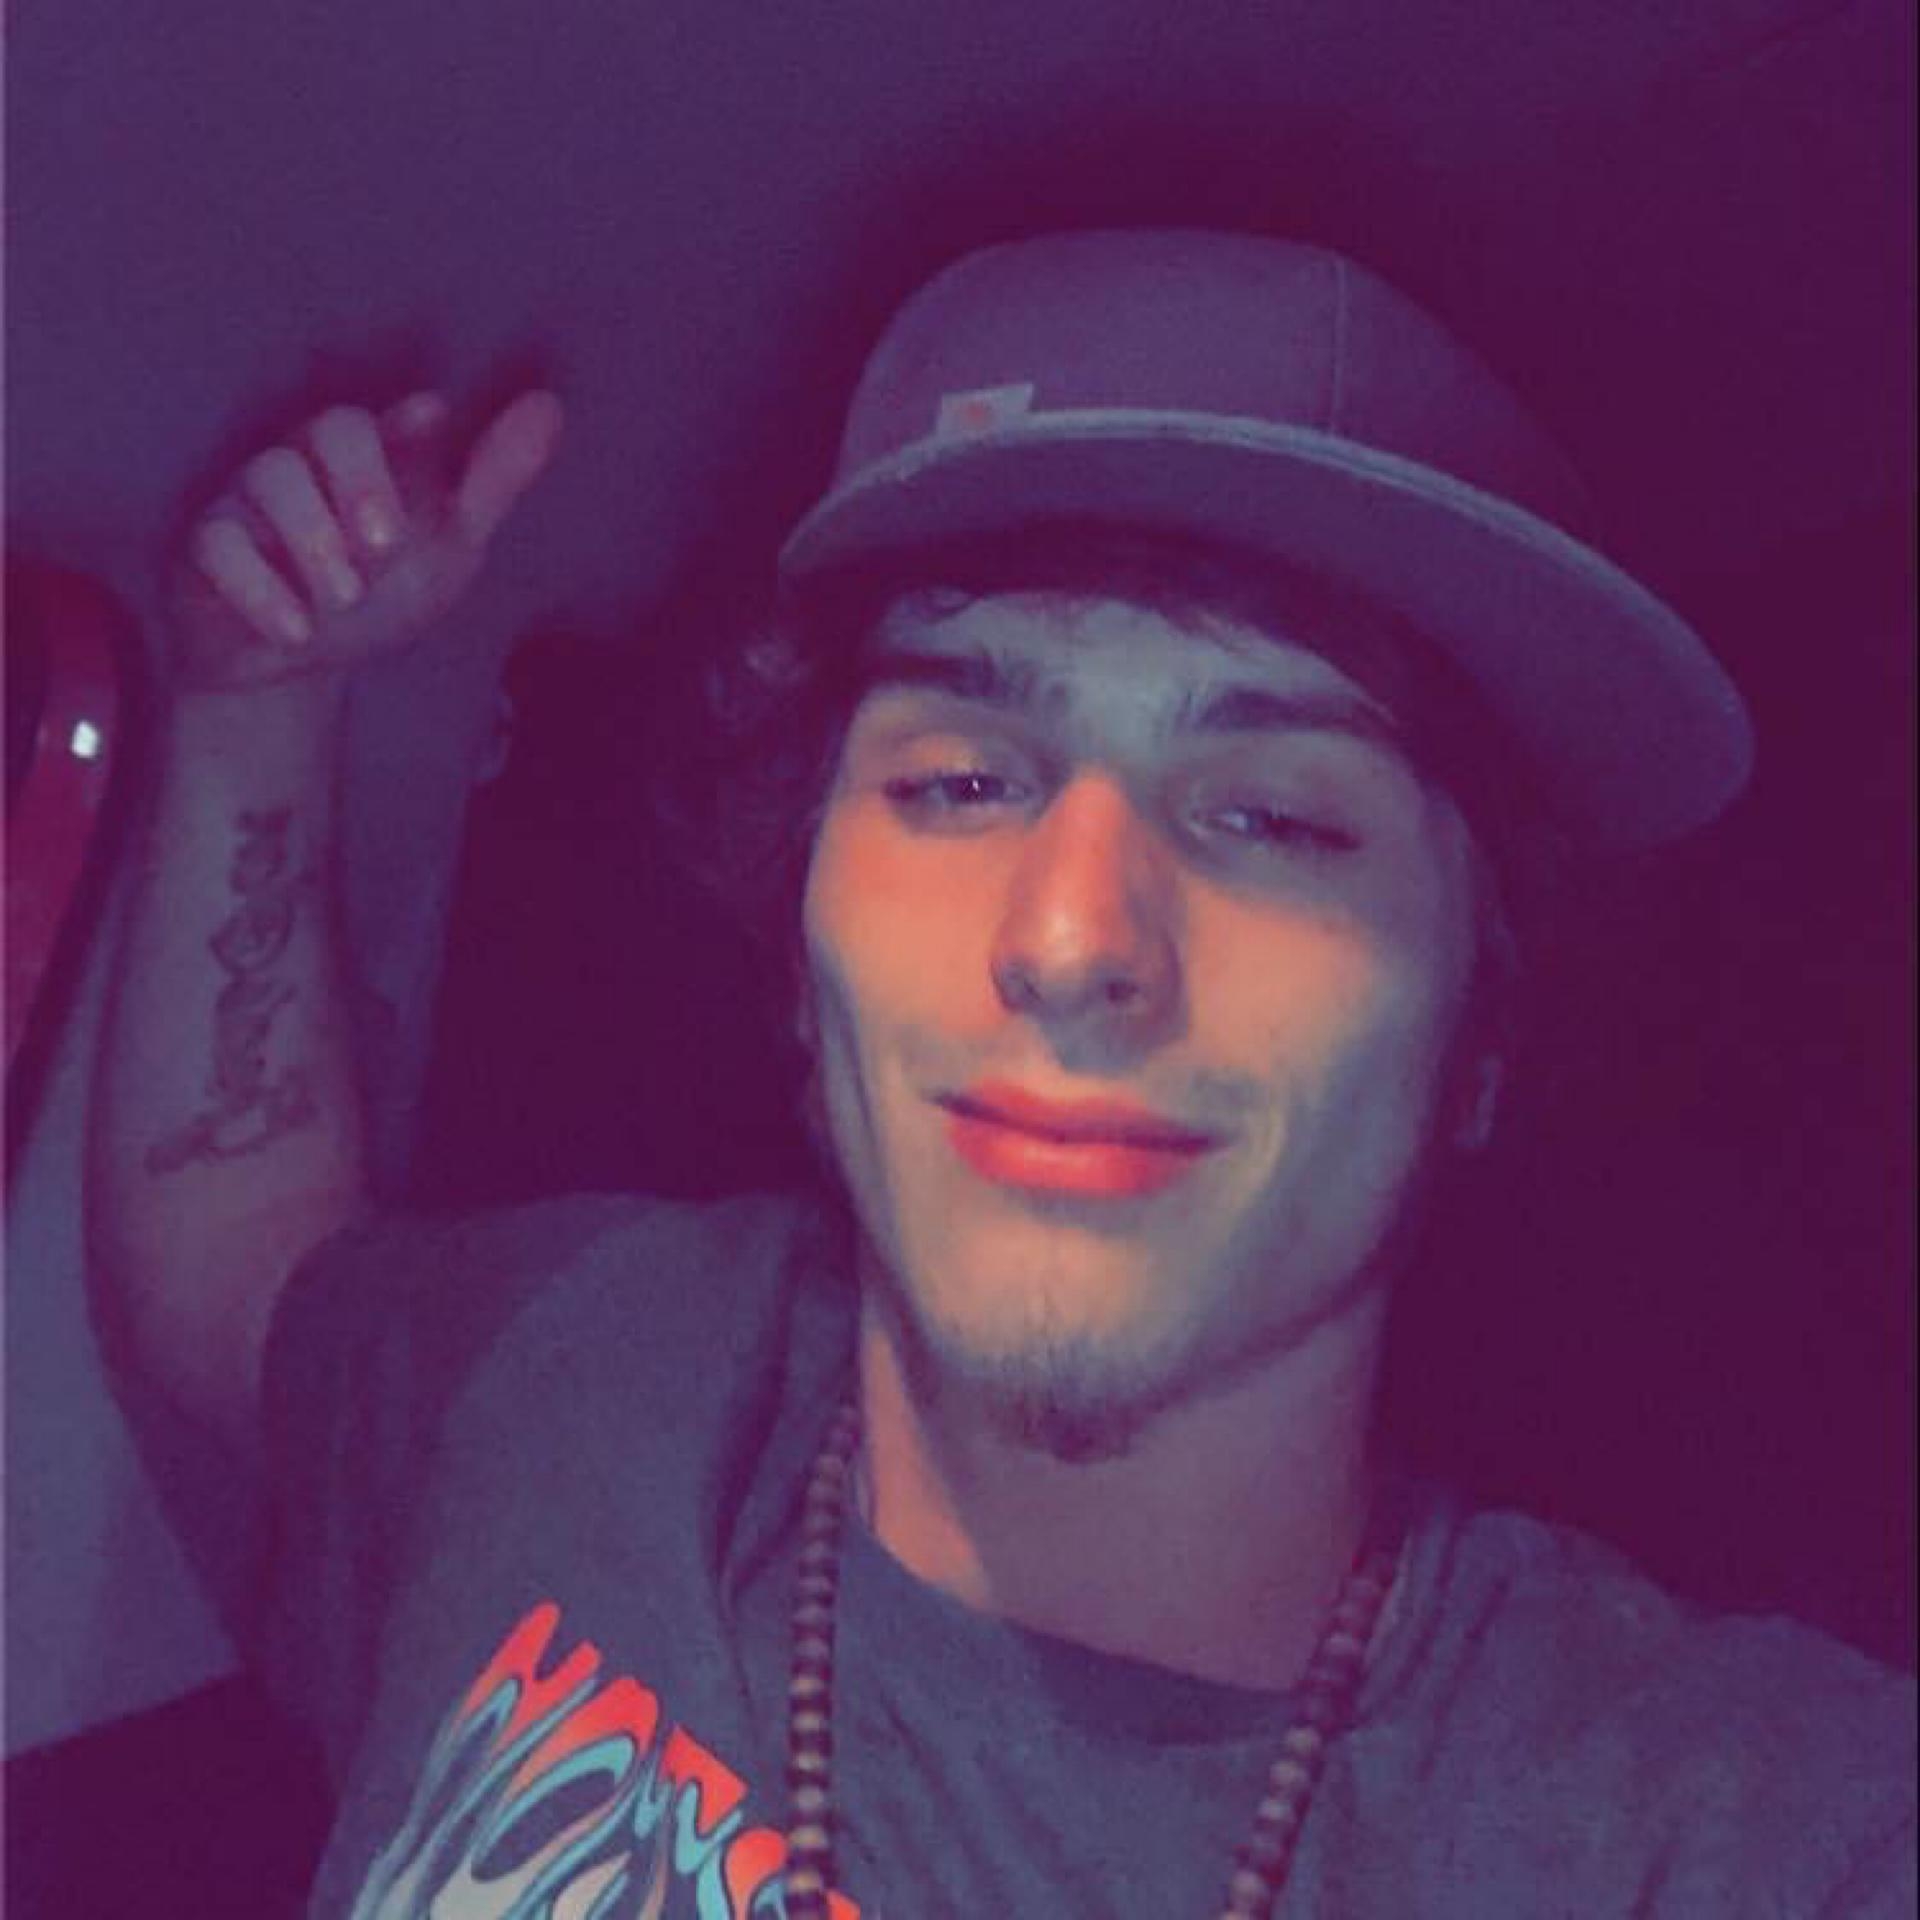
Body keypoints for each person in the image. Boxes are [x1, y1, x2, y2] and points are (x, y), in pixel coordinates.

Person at [89, 230, 1912, 1917]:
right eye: (960, 782)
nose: (1067, 935)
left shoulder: (1712, 1831)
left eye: (1277, 817)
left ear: (1476, 1044)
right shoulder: (594, 1361)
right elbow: (242, 1270)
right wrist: (256, 696)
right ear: (804, 942)